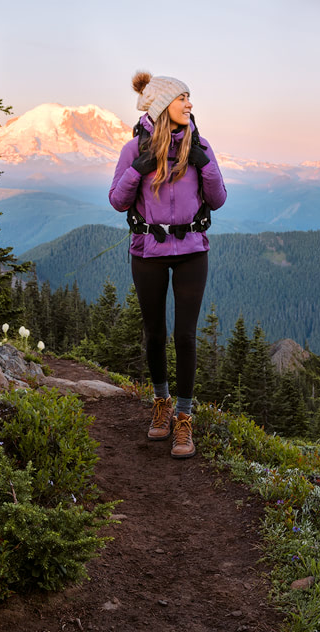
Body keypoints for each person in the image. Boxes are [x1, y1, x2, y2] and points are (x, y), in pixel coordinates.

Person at [108, 71, 228, 459]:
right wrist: (138, 168)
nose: (190, 104)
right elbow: (117, 201)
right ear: (163, 105)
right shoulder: (133, 150)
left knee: (185, 336)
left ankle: (184, 418)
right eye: (182, 98)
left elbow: (218, 198)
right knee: (155, 332)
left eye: (189, 98)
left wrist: (203, 163)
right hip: (148, 252)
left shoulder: (200, 145)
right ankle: (161, 405)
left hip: (192, 250)